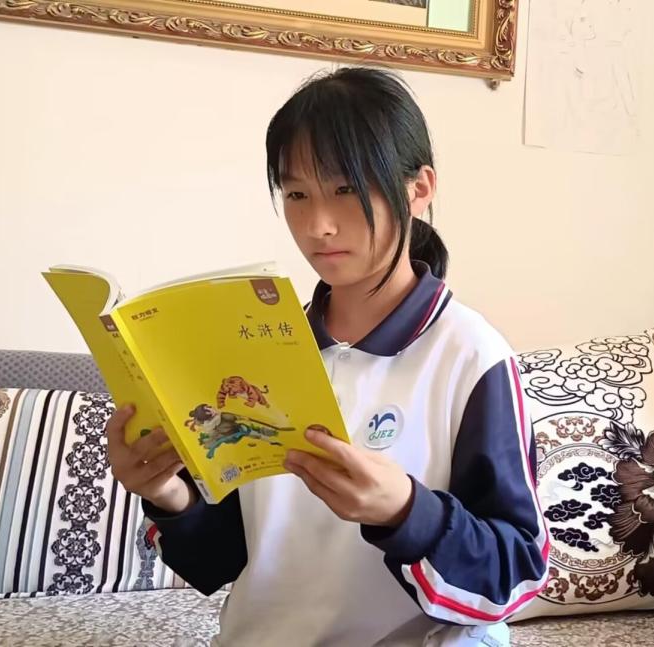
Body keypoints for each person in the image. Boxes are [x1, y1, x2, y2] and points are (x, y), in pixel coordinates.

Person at [104, 66, 549, 646]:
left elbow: (515, 574)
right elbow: (230, 559)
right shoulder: (257, 348)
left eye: (346, 190)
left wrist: (405, 511)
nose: (317, 225)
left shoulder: (469, 356)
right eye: (296, 195)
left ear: (419, 189)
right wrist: (166, 493)